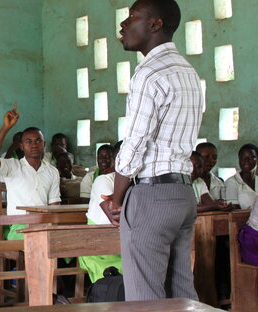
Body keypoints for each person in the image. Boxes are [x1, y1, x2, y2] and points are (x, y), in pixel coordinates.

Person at [101, 0, 202, 300]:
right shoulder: (188, 71)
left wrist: (116, 201)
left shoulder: (148, 73)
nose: (123, 24)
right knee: (181, 292)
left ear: (156, 24)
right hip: (183, 194)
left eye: (132, 17)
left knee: (145, 297)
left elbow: (133, 146)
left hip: (152, 196)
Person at [0, 104, 61, 240]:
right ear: (21, 147)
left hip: (44, 224)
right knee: (42, 241)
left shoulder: (52, 171)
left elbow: (54, 206)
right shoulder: (13, 166)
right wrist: (6, 128)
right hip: (19, 227)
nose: (34, 145)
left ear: (44, 144)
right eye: (28, 141)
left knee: (68, 241)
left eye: (38, 141)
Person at [79, 142, 123, 282]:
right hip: (99, 247)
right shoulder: (103, 180)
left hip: (124, 244)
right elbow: (116, 218)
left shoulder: (140, 182)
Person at [225, 144, 258, 209]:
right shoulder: (232, 182)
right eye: (243, 157)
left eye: (251, 157)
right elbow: (234, 210)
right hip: (243, 219)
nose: (246, 161)